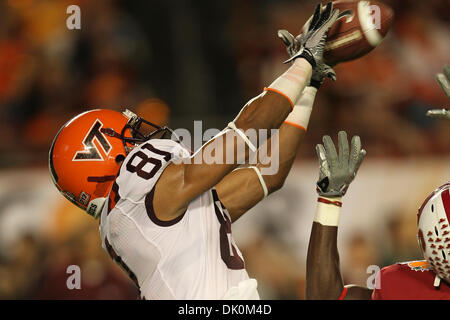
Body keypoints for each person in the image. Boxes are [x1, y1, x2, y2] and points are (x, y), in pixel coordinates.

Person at [49, 3, 341, 299]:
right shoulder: (137, 195)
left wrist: (309, 85)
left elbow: (268, 174)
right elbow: (244, 133)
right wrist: (303, 62)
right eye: (127, 134)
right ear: (102, 155)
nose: (136, 137)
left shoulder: (146, 214)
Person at [305, 130, 450, 299]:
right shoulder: (403, 284)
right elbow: (325, 297)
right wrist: (329, 199)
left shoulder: (402, 282)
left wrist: (329, 200)